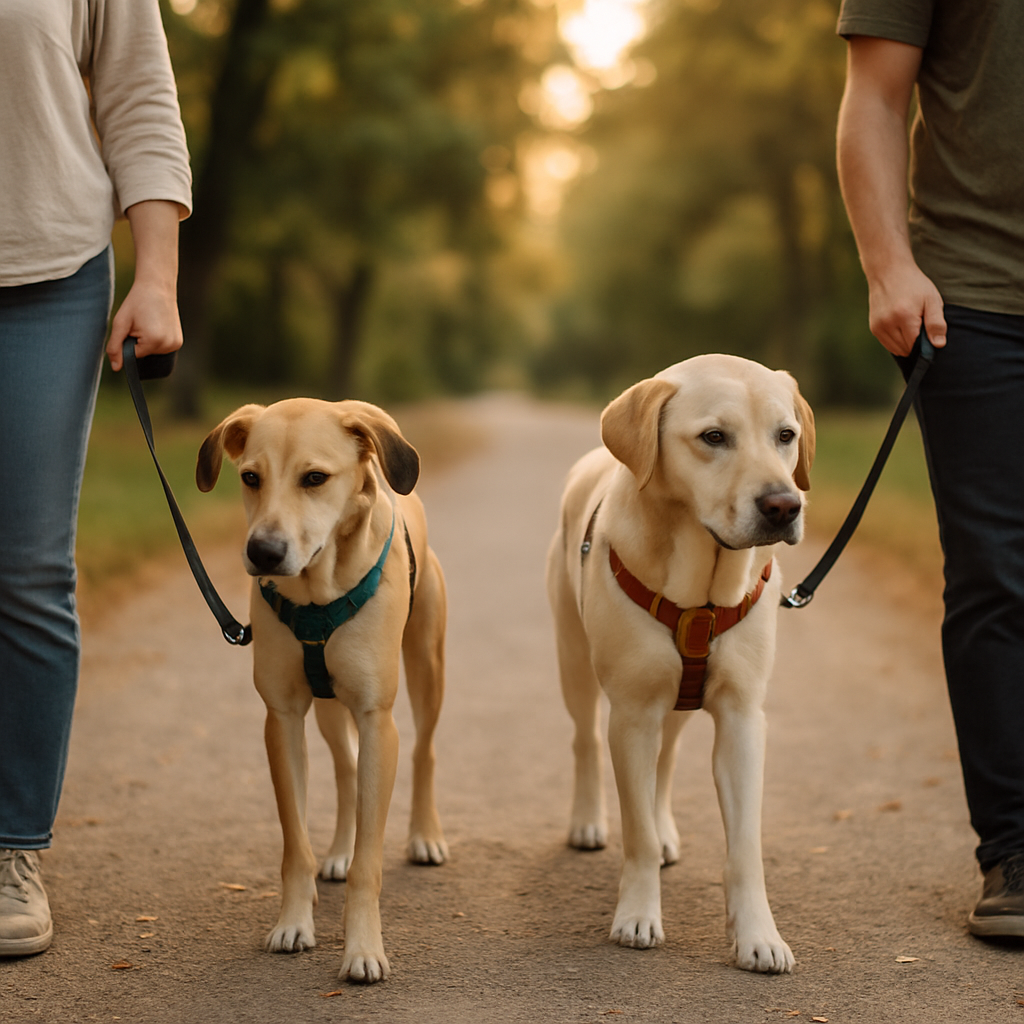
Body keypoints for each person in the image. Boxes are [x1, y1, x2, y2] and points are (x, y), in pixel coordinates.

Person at [0, 0, 192, 956]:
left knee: (26, 571)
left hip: (44, 274)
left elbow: (139, 97)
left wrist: (155, 275)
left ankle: (10, 848)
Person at [835, 0, 1024, 936]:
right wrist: (887, 266)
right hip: (980, 296)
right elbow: (874, 92)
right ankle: (1017, 851)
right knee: (998, 576)